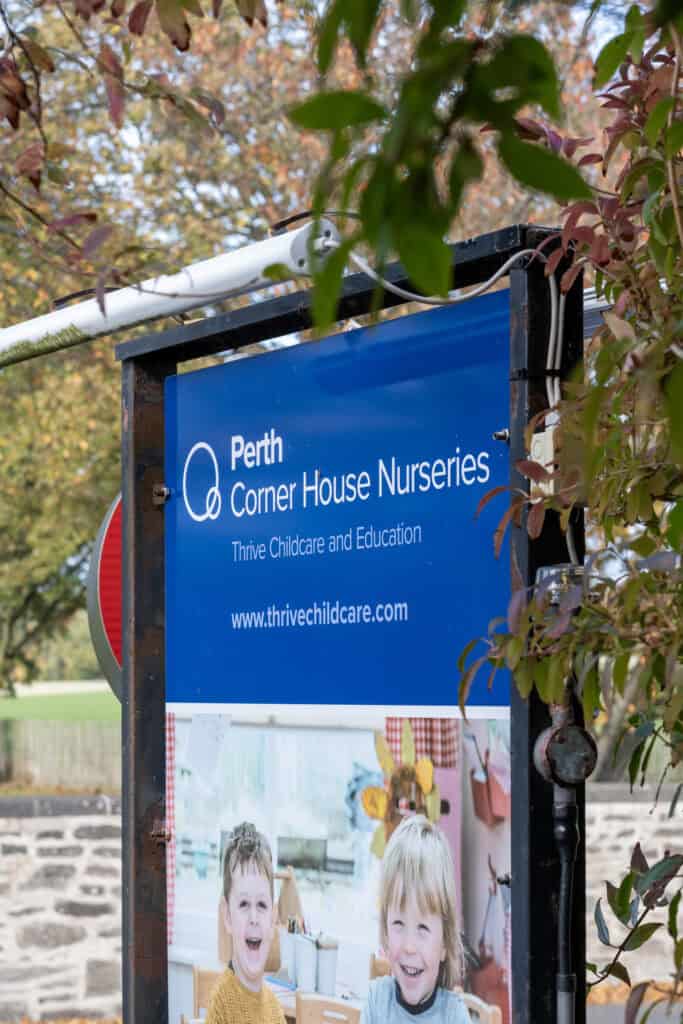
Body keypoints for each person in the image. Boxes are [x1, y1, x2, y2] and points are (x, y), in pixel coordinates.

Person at [362, 815, 471, 1023]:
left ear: (444, 945)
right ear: (385, 932)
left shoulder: (454, 1016)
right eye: (398, 924)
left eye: (422, 928)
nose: (409, 947)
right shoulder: (377, 1001)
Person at [206, 822, 285, 1024]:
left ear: (273, 918)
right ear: (228, 917)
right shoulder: (221, 1005)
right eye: (243, 904)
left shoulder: (276, 1010)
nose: (253, 918)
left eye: (261, 905)